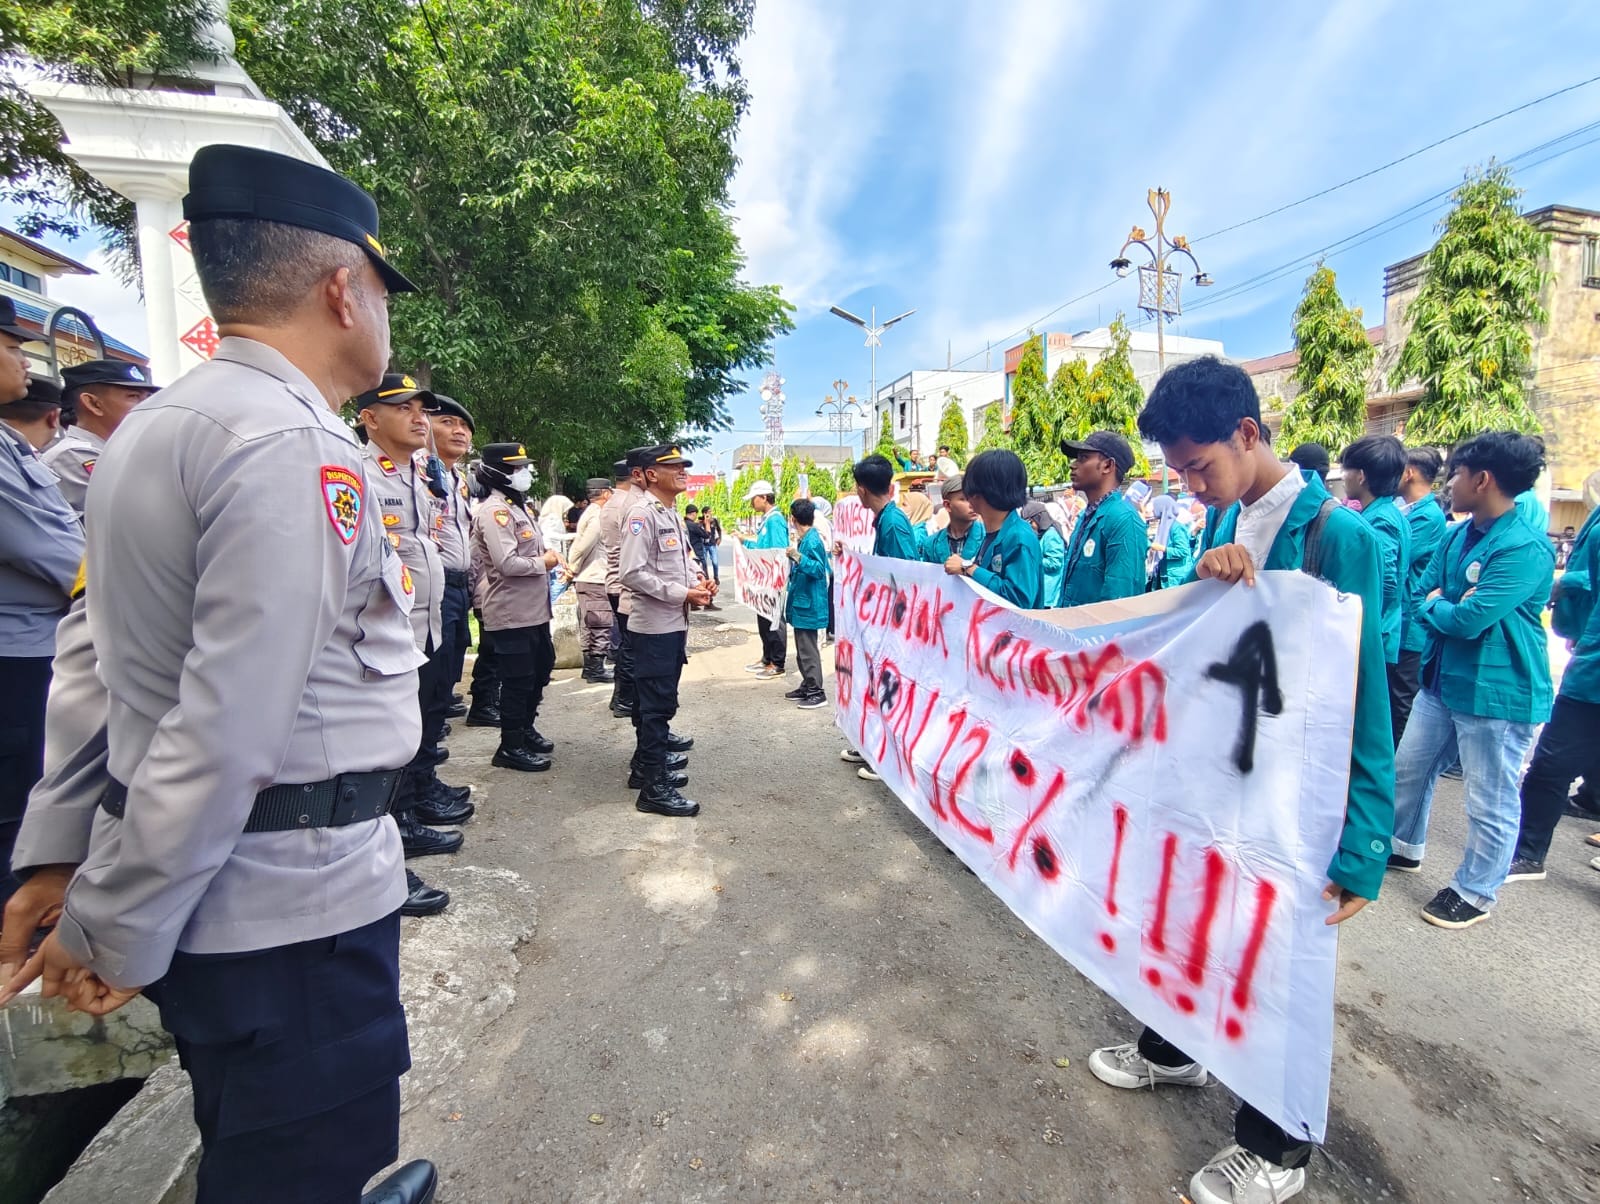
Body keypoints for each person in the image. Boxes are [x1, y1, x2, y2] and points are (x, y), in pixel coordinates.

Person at [0, 145, 437, 1204]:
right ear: (342, 289)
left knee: (254, 1138)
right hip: (293, 908)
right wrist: (114, 922)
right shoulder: (292, 444)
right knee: (298, 1167)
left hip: (224, 895)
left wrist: (61, 853)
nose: (384, 314)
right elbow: (229, 723)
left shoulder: (158, 428)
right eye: (382, 289)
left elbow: (91, 663)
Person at [1089, 356, 1393, 1204]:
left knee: (1276, 958)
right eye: (1179, 473)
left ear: (1248, 433)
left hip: (1293, 794)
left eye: (1199, 466)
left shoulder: (1338, 536)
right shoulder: (1226, 516)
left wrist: (1366, 840)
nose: (1190, 487)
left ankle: (1276, 1148)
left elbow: (1365, 691)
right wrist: (1205, 576)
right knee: (1186, 914)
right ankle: (1173, 1050)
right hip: (1219, 775)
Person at [1389, 433, 1555, 929]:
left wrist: (1443, 605)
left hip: (1497, 694)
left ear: (1482, 480)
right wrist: (1445, 604)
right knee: (1409, 768)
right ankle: (1403, 845)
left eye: (1457, 474)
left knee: (1489, 798)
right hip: (1442, 680)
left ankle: (1476, 891)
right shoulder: (1457, 534)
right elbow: (1421, 594)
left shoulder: (1525, 548)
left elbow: (1469, 619)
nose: (1450, 483)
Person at [356, 375, 469, 869]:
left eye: (422, 409)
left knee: (425, 713)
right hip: (386, 626)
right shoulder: (360, 474)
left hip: (427, 621)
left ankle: (418, 796)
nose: (420, 418)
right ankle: (397, 819)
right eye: (404, 409)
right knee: (392, 730)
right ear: (370, 418)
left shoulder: (416, 476)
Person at [0, 334, 84, 906]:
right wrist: (132, 592)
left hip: (40, 643)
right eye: (9, 347)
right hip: (15, 653)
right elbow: (43, 546)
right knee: (15, 805)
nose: (23, 360)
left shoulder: (11, 444)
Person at [1509, 481, 1600, 881]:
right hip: (1590, 663)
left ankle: (1529, 852)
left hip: (1592, 675)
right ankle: (1529, 850)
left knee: (1550, 764)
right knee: (1552, 763)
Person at [620, 446, 713, 816]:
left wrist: (700, 582)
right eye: (673, 466)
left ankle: (646, 770)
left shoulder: (669, 512)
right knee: (656, 708)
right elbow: (632, 573)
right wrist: (681, 593)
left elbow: (681, 561)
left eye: (683, 465)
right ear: (650, 474)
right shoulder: (642, 514)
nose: (682, 471)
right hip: (654, 628)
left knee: (658, 703)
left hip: (673, 623)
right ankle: (653, 789)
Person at [471, 443, 558, 773]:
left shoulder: (518, 507)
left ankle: (525, 728)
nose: (524, 473)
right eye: (516, 468)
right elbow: (506, 562)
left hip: (534, 610)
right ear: (497, 472)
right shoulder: (495, 512)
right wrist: (543, 562)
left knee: (540, 669)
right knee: (518, 679)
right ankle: (510, 745)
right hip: (511, 611)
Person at [836, 453, 921, 781]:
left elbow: (907, 575)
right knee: (875, 686)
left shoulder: (893, 523)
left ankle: (887, 758)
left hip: (895, 626)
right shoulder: (885, 519)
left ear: (861, 489)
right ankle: (873, 745)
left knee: (890, 690)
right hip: (884, 622)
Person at [40, 359, 159, 516]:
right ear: (93, 404)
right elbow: (139, 514)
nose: (148, 405)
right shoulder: (72, 455)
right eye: (133, 396)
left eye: (148, 397)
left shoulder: (117, 450)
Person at [1341, 435, 1411, 676]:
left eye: (1346, 470)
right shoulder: (1389, 512)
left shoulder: (1379, 520)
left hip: (1375, 635)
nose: (1343, 477)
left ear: (1361, 476)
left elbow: (1385, 581)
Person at [425, 394, 475, 723]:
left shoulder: (458, 481)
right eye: (447, 422)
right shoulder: (419, 474)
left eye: (464, 427)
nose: (459, 431)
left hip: (458, 585)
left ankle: (433, 730)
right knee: (432, 665)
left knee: (452, 660)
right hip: (433, 583)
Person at [1393, 446, 1447, 746]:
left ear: (1409, 472)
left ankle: (1396, 766)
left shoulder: (1428, 516)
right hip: (1400, 621)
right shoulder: (1408, 510)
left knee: (1402, 700)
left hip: (1411, 625)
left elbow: (1399, 554)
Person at [1058, 432, 1149, 607]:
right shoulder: (1085, 516)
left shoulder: (1124, 519)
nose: (1073, 465)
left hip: (1098, 625)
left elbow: (1121, 598)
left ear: (1107, 465)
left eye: (1083, 458)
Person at [946, 449, 1041, 610]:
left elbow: (1018, 600)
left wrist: (968, 568)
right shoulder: (993, 533)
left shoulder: (1019, 538)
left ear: (981, 492)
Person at [601, 455, 646, 719]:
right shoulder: (630, 504)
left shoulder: (611, 502)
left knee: (626, 645)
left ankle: (620, 696)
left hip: (614, 580)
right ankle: (625, 699)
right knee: (631, 647)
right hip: (624, 584)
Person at [782, 499, 831, 709]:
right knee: (802, 650)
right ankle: (807, 684)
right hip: (803, 603)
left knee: (808, 650)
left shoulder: (812, 541)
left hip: (809, 605)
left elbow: (819, 570)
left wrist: (797, 557)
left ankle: (816, 691)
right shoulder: (806, 539)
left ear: (793, 519)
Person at [567, 476, 616, 682]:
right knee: (600, 623)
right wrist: (572, 568)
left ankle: (590, 667)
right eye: (610, 491)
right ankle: (596, 668)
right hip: (595, 577)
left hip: (587, 577)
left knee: (590, 624)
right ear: (605, 493)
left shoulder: (590, 512)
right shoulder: (597, 515)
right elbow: (583, 545)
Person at [743, 479, 790, 679]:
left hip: (773, 579)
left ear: (764, 497)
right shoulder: (767, 519)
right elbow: (763, 548)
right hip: (764, 579)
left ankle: (777, 662)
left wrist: (747, 544)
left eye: (754, 498)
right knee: (763, 618)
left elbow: (777, 551)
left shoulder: (775, 520)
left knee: (774, 620)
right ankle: (767, 658)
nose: (751, 503)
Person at [918, 471, 984, 566]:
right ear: (947, 505)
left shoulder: (988, 538)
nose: (973, 504)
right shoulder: (931, 544)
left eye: (975, 498)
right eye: (965, 499)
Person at [1020, 499, 1065, 608]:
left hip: (1049, 593)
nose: (1030, 526)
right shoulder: (1040, 535)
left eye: (1030, 522)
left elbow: (1055, 563)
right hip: (1040, 590)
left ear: (1038, 517)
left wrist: (1032, 560)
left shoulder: (1051, 535)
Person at [702, 508, 723, 584]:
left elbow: (719, 529)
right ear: (704, 513)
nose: (710, 513)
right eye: (709, 512)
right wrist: (705, 521)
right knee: (704, 563)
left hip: (712, 544)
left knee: (715, 562)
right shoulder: (701, 521)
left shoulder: (714, 520)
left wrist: (719, 538)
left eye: (711, 512)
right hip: (704, 544)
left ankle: (716, 577)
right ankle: (706, 577)